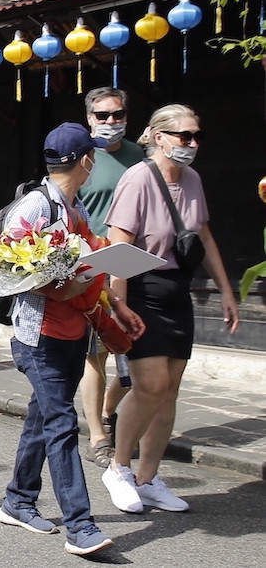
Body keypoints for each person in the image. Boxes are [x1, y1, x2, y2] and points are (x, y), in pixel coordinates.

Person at [0, 122, 145, 556]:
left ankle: (18, 500)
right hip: (38, 336)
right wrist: (60, 285)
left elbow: (91, 257)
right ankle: (80, 526)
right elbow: (7, 274)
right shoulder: (34, 208)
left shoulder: (73, 207)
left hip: (73, 330)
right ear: (85, 161)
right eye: (93, 157)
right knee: (61, 423)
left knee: (42, 419)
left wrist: (113, 301)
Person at [101, 104, 239, 514]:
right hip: (141, 287)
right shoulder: (138, 179)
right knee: (150, 385)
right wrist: (118, 305)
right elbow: (118, 246)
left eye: (196, 135)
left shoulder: (193, 179)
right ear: (159, 137)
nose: (192, 143)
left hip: (178, 290)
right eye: (184, 136)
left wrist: (226, 291)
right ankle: (119, 468)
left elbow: (204, 237)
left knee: (170, 390)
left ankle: (148, 477)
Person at [77, 87, 145, 468]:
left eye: (117, 115)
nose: (110, 122)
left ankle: (106, 411)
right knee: (95, 354)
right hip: (96, 264)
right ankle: (99, 434)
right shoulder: (81, 158)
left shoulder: (139, 155)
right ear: (90, 118)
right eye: (102, 116)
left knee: (131, 351)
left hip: (133, 264)